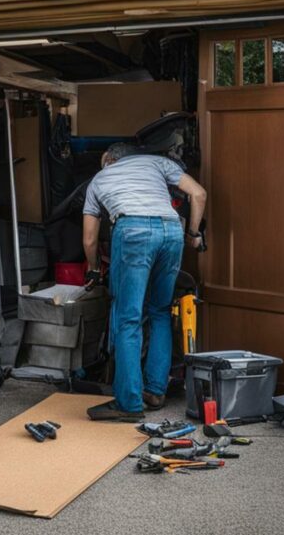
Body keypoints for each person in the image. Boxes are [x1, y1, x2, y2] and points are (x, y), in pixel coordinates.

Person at [82, 144, 206, 421]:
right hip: (171, 230)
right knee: (160, 311)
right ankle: (155, 391)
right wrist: (193, 234)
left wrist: (93, 269)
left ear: (111, 160)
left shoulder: (99, 179)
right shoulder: (157, 163)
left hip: (132, 231)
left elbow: (89, 239)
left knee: (128, 318)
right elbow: (198, 193)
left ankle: (128, 404)